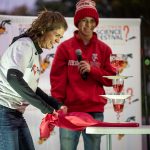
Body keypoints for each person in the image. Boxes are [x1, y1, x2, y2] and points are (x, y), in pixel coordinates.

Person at [50, 0, 116, 150]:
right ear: (77, 23)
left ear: (96, 23)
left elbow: (112, 80)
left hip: (94, 112)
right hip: (70, 111)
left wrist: (92, 70)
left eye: (92, 21)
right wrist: (58, 105)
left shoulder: (104, 49)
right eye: (84, 20)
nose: (88, 25)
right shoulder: (64, 48)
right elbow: (57, 80)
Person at [0, 10, 68, 150]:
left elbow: (29, 87)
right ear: (44, 29)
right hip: (4, 112)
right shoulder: (24, 45)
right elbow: (14, 79)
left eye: (60, 37)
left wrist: (55, 105)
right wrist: (45, 108)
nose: (58, 40)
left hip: (14, 113)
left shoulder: (34, 50)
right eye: (56, 35)